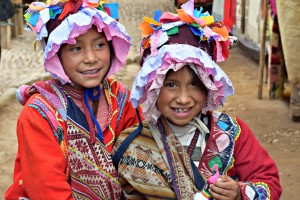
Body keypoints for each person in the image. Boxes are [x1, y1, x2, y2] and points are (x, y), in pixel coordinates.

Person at [112, 1, 282, 199]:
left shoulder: (233, 133)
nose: (184, 99)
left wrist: (240, 193)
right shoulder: (136, 143)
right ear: (153, 88)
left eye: (194, 84)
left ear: (209, 86)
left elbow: (270, 183)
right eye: (171, 85)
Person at [4, 0, 142, 199]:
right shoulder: (39, 115)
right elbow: (48, 190)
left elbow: (137, 162)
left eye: (100, 44)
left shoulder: (120, 99)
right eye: (76, 48)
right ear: (55, 55)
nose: (91, 58)